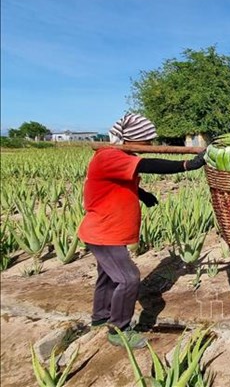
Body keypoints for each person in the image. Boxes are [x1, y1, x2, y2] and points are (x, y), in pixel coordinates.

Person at [78, 113, 207, 349]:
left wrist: (142, 194)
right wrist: (187, 165)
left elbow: (120, 181)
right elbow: (147, 164)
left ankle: (100, 317)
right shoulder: (109, 156)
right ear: (132, 140)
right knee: (128, 279)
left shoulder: (118, 156)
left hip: (108, 232)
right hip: (103, 233)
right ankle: (119, 329)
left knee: (108, 278)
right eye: (146, 141)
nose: (148, 146)